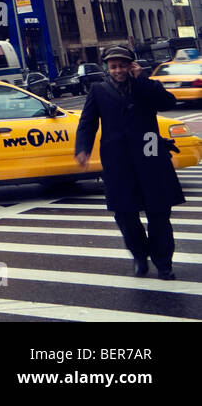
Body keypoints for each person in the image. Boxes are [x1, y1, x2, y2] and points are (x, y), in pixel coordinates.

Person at [76, 46, 184, 280]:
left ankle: (164, 263)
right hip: (118, 161)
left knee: (159, 214)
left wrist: (142, 79)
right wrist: (82, 149)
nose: (119, 70)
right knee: (125, 215)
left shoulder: (145, 85)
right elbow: (87, 122)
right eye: (114, 66)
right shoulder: (98, 90)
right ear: (107, 67)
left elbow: (167, 102)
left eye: (123, 65)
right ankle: (139, 255)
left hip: (151, 155)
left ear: (131, 65)